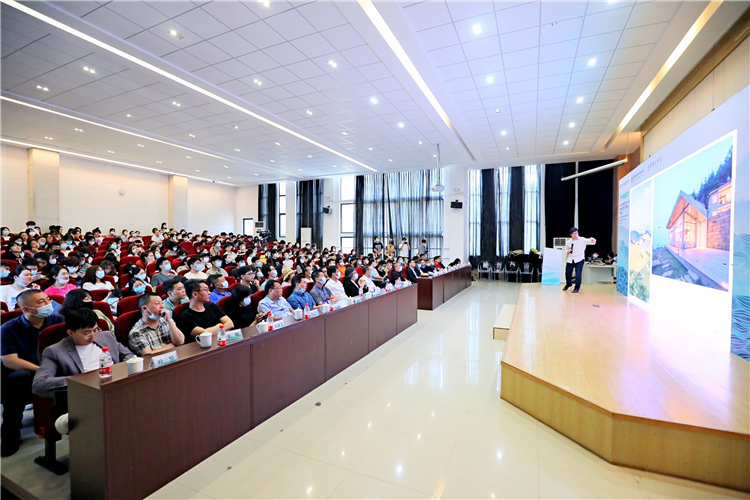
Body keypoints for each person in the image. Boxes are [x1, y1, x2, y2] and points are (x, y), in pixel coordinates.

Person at [1, 289, 65, 455]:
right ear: (26, 309)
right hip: (27, 369)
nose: (47, 304)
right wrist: (42, 371)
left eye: (47, 299)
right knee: (18, 379)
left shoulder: (58, 320)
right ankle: (10, 432)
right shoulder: (8, 328)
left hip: (53, 365)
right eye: (41, 302)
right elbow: (10, 360)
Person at [32, 309, 134, 398]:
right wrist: (82, 380)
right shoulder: (55, 351)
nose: (93, 335)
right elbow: (39, 384)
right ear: (70, 333)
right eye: (87, 332)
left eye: (95, 330)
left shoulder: (106, 336)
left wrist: (119, 371)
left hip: (116, 384)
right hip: (87, 394)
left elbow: (128, 355)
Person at [564, 227, 596, 293]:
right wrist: (568, 251)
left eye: (576, 233)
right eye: (573, 234)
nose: (575, 235)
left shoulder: (582, 239)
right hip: (570, 259)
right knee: (567, 273)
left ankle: (577, 288)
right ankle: (568, 284)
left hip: (579, 259)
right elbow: (565, 250)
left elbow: (592, 242)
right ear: (571, 235)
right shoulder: (568, 242)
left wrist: (592, 239)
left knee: (578, 274)